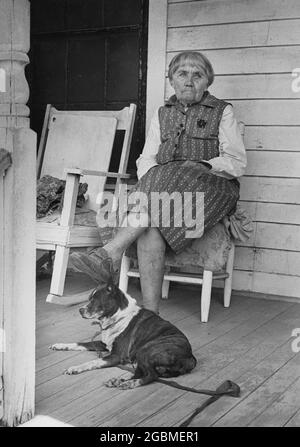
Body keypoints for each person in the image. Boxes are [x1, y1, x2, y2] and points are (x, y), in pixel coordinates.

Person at [71, 51, 247, 314]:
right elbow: (146, 159)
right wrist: (159, 178)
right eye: (182, 74)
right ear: (171, 80)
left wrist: (203, 166)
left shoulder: (223, 111)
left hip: (212, 188)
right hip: (166, 195)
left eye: (197, 75)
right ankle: (151, 313)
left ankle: (110, 252)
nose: (189, 81)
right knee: (150, 226)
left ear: (207, 81)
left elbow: (237, 162)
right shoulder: (162, 113)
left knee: (169, 175)